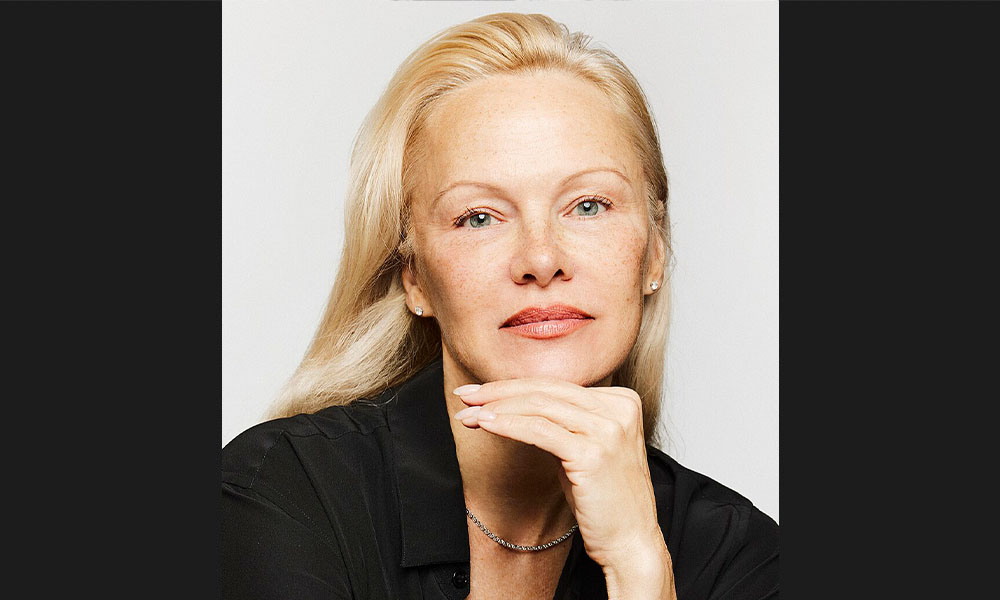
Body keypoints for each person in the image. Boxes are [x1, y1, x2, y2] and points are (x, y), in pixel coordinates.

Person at [222, 12, 778, 600]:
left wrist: (639, 566)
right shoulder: (281, 494)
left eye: (588, 205)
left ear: (655, 252)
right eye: (479, 217)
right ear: (414, 277)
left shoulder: (740, 557)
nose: (541, 259)